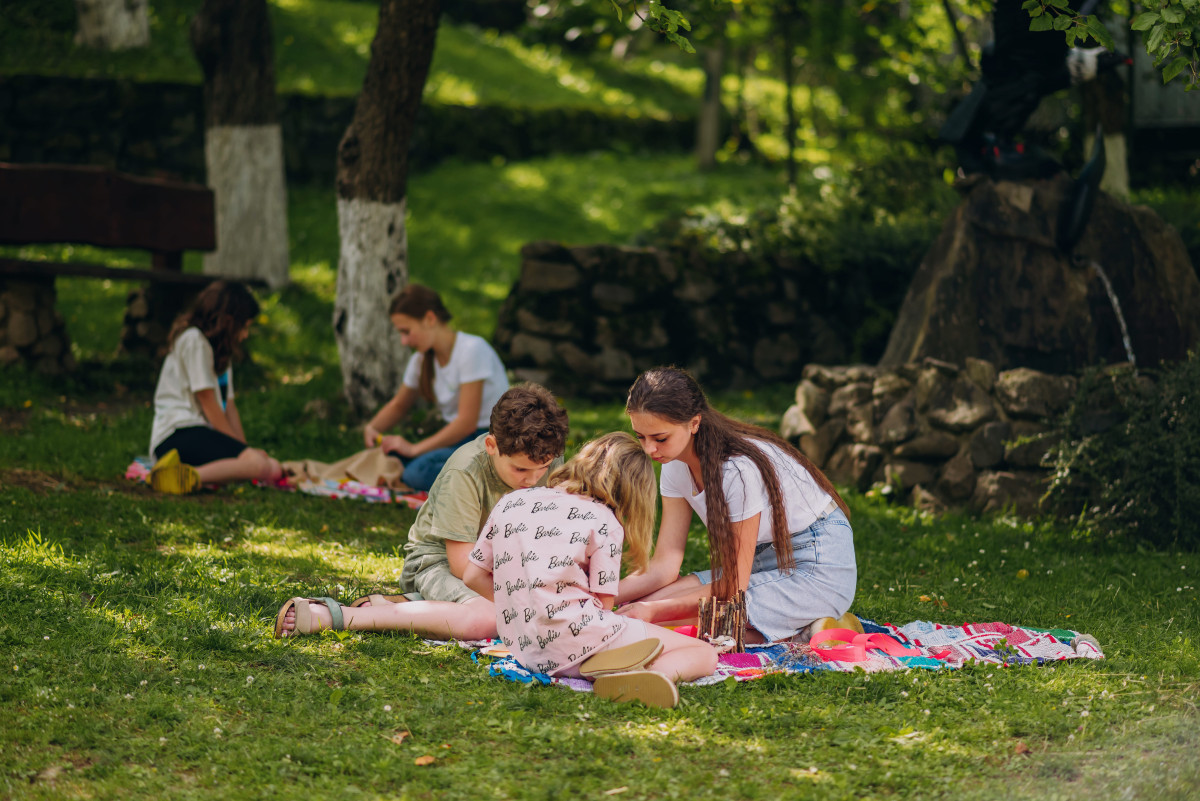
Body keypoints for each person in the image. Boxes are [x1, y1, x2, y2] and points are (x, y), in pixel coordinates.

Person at [274, 383, 569, 641]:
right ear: (491, 445)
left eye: (542, 468)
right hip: (436, 563)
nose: (532, 480)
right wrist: (521, 600)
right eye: (520, 469)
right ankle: (338, 616)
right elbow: (463, 568)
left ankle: (403, 608)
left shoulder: (546, 454)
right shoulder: (465, 472)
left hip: (502, 565)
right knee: (490, 618)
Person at [462, 432, 718, 708]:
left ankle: (611, 670)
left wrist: (523, 608)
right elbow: (605, 605)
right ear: (633, 490)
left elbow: (473, 575)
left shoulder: (511, 502)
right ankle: (643, 678)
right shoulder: (604, 520)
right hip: (581, 643)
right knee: (704, 653)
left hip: (527, 649)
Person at [618, 367, 859, 644]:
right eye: (641, 437)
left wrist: (649, 612)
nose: (649, 450)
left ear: (694, 423)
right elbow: (664, 566)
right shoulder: (674, 465)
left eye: (660, 438)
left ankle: (810, 627)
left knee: (715, 628)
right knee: (643, 605)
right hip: (763, 558)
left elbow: (733, 587)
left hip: (819, 561)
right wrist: (602, 594)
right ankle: (802, 623)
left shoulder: (737, 471)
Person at [363, 284, 509, 492]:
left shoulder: (471, 350)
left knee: (416, 473)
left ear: (430, 319)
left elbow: (466, 423)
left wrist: (413, 449)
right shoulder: (421, 360)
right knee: (396, 457)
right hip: (461, 440)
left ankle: (491, 481)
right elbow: (399, 404)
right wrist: (373, 428)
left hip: (489, 438)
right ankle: (477, 478)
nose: (404, 341)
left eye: (406, 331)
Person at [147, 281, 282, 494]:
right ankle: (188, 477)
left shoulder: (221, 354)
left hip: (202, 432)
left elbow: (229, 408)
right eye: (244, 326)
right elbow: (208, 402)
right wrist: (243, 453)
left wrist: (243, 449)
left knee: (270, 466)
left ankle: (184, 472)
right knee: (260, 466)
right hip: (177, 433)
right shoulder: (194, 340)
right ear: (228, 321)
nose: (245, 334)